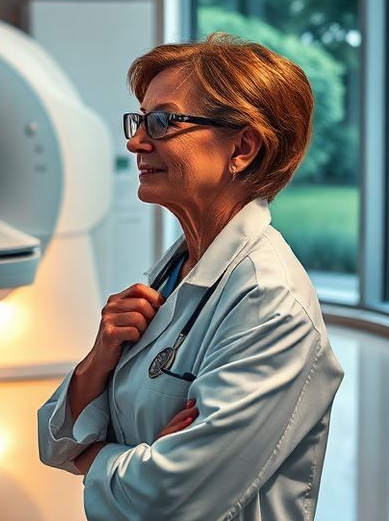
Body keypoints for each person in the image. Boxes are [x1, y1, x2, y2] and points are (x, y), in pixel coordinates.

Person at [37, 33, 344, 520]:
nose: (136, 141)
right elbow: (53, 440)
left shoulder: (271, 302)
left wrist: (92, 459)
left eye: (162, 122)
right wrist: (100, 357)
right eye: (140, 120)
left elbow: (170, 499)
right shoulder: (174, 270)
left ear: (242, 147)